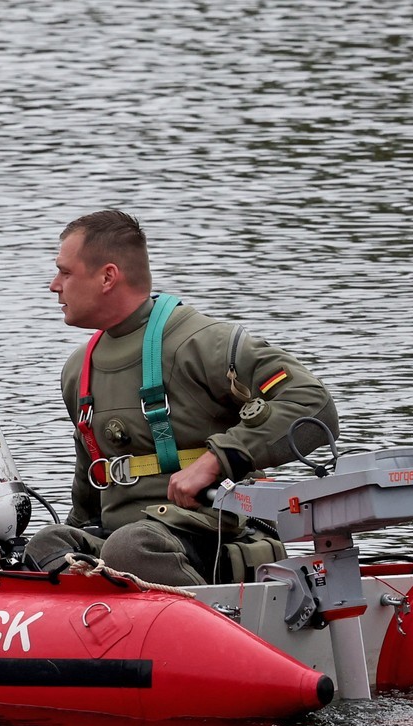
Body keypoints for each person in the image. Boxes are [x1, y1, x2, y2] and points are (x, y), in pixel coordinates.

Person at [25, 209, 340, 586]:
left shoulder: (204, 343)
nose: (54, 286)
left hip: (217, 533)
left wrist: (215, 460)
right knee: (46, 545)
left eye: (65, 272)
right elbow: (90, 481)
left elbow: (313, 404)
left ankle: (217, 619)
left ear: (108, 276)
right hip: (125, 540)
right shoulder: (79, 370)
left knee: (132, 547)